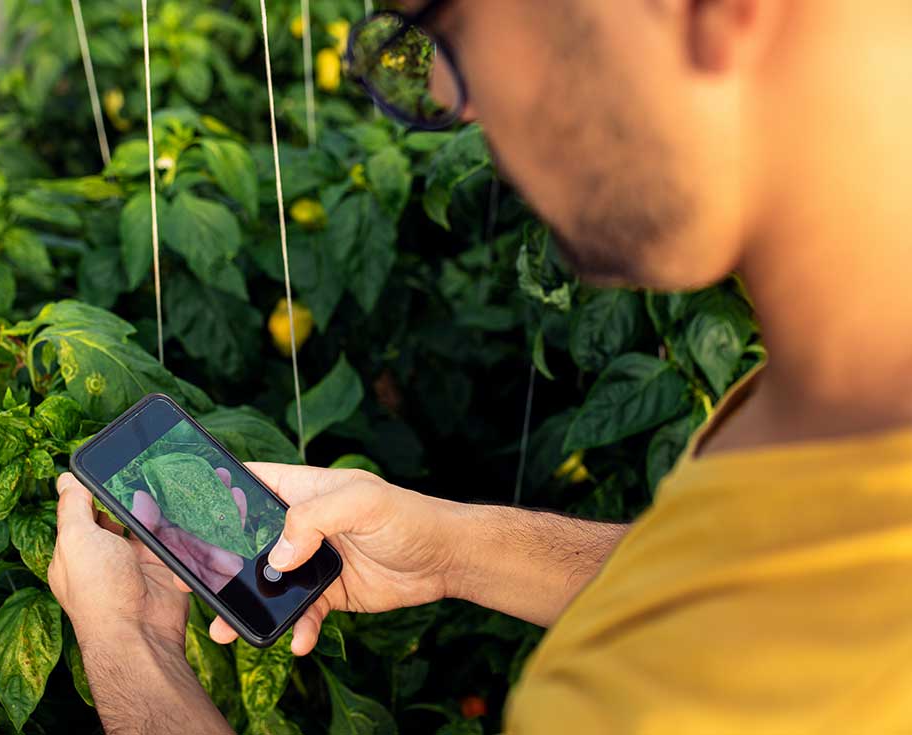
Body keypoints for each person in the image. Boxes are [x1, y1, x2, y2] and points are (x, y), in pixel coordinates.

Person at [48, 0, 912, 731]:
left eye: (443, 27)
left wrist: (136, 653)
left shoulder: (658, 702)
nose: (450, 99)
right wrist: (451, 550)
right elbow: (735, 588)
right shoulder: (838, 409)